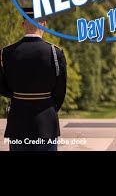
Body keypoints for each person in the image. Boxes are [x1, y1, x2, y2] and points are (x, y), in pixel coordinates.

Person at [0, 8, 67, 151]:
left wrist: (18, 97)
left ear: (23, 24)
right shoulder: (55, 52)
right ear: (44, 24)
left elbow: (2, 86)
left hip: (18, 119)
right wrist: (49, 107)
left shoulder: (7, 52)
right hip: (46, 121)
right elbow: (60, 89)